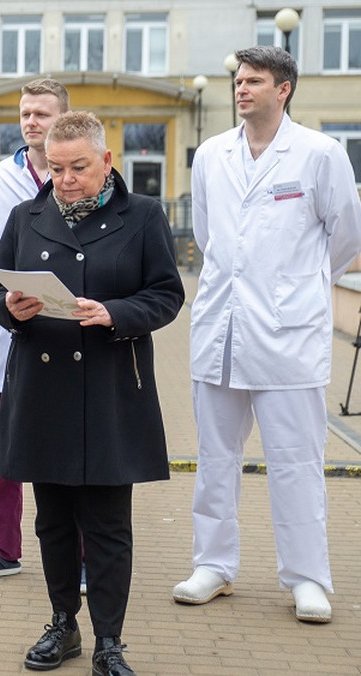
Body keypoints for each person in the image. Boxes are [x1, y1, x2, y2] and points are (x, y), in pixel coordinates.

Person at [0, 111, 184, 675]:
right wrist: (10, 307)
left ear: (106, 162)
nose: (66, 178)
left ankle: (110, 643)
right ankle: (62, 625)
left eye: (79, 167)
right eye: (57, 166)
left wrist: (115, 312)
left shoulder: (142, 215)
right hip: (44, 389)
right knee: (53, 520)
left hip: (110, 389)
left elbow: (166, 295)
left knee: (108, 526)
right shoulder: (27, 216)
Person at [174, 46, 361, 624]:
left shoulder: (321, 154)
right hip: (220, 331)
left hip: (288, 336)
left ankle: (307, 579)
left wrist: (295, 286)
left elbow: (346, 238)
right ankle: (214, 566)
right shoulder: (210, 155)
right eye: (238, 79)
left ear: (284, 89)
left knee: (295, 462)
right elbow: (208, 234)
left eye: (254, 80)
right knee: (215, 459)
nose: (241, 88)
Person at [0, 78, 68, 584]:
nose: (31, 122)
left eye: (42, 114)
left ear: (63, 118)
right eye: (25, 113)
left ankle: (81, 557)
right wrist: (14, 296)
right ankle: (0, 548)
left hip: (68, 336)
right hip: (5, 329)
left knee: (71, 455)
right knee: (1, 453)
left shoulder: (83, 177)